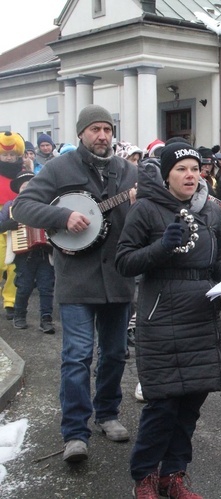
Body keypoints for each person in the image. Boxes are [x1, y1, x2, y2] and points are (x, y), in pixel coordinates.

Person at [12, 104, 138, 463]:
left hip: (118, 277)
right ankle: (74, 432)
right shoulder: (58, 168)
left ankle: (109, 414)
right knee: (77, 356)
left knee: (115, 353)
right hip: (76, 279)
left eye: (107, 130)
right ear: (82, 133)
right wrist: (63, 216)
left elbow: (142, 217)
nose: (102, 136)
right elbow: (22, 206)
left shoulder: (128, 172)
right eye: (95, 129)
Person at [116, 141, 221, 499]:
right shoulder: (147, 209)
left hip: (201, 315)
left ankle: (174, 475)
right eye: (181, 169)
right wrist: (161, 247)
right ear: (167, 174)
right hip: (161, 315)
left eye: (195, 169)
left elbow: (219, 258)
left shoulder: (211, 211)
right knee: (163, 403)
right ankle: (145, 476)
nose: (190, 175)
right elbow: (124, 262)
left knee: (190, 404)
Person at [0, 171, 55, 333]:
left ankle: (46, 319)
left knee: (46, 287)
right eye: (24, 186)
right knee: (24, 286)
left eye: (31, 185)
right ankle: (19, 315)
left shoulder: (48, 205)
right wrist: (8, 225)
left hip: (45, 252)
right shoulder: (10, 206)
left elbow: (57, 224)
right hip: (23, 254)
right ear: (18, 189)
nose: (28, 189)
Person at [0, 132, 24, 321]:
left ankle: (10, 301)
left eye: (12, 155)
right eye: (5, 155)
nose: (8, 158)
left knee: (13, 266)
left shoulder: (22, 174)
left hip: (16, 221)